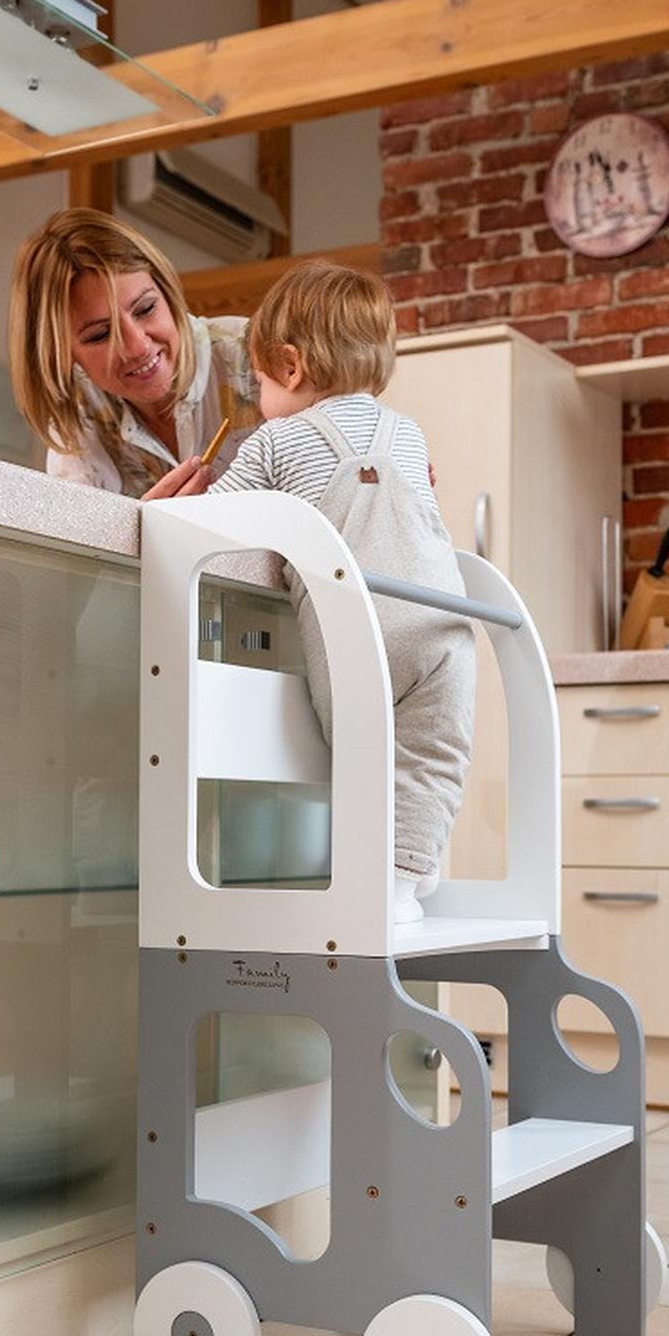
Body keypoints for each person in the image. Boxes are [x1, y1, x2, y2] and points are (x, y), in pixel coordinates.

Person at [209, 261, 475, 923]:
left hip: (359, 630)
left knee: (359, 755)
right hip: (445, 625)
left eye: (260, 380)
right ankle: (412, 865)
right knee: (432, 752)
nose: (260, 395)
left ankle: (382, 887)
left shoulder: (274, 439)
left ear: (291, 368)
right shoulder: (408, 434)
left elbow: (214, 526)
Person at [8, 207, 261, 497]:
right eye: (100, 335)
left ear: (166, 291)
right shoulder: (78, 414)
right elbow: (80, 537)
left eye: (146, 309)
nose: (138, 346)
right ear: (62, 355)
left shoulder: (255, 353)